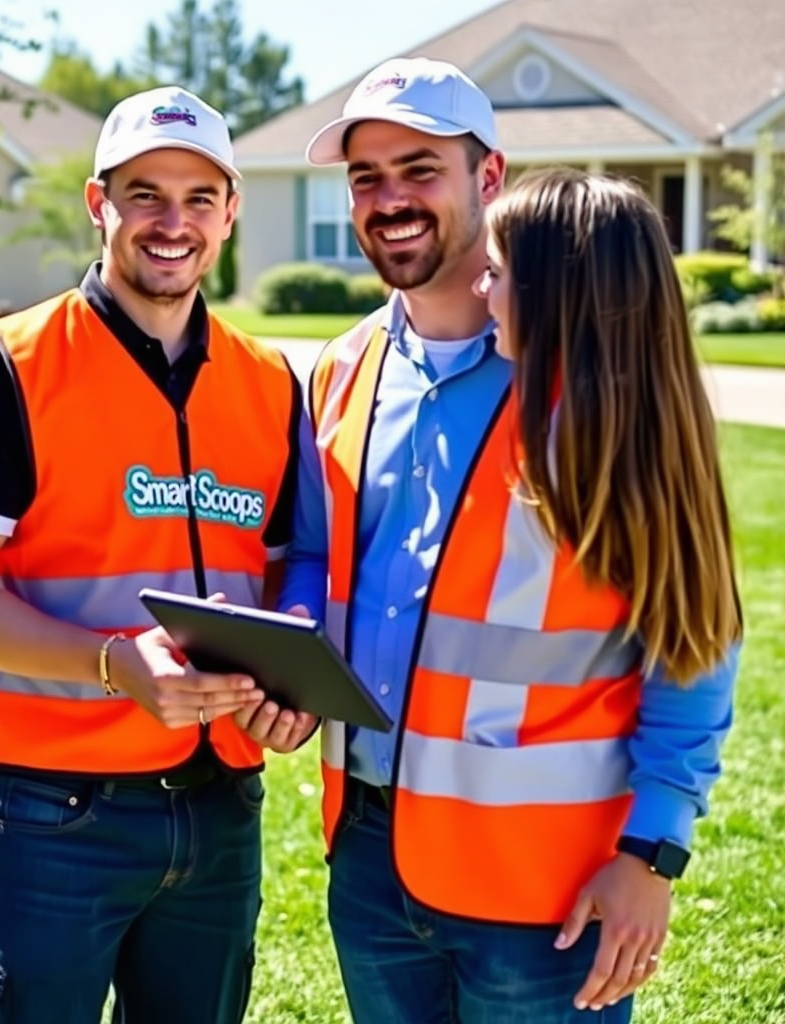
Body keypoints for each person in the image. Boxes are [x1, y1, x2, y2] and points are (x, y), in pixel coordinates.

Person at [240, 58, 741, 1023]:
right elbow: (310, 553)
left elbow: (694, 638)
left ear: (489, 176)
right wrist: (293, 667)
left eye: (419, 168)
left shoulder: (584, 378)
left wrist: (653, 853)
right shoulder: (339, 371)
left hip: (544, 885)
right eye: (365, 176)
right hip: (370, 854)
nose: (390, 199)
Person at [0, 85, 303, 1024]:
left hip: (221, 811)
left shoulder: (270, 384)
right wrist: (111, 664)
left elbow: (285, 581)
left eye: (200, 198)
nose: (173, 223)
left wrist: (293, 685)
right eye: (144, 194)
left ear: (232, 212)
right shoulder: (7, 367)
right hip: (58, 816)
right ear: (99, 203)